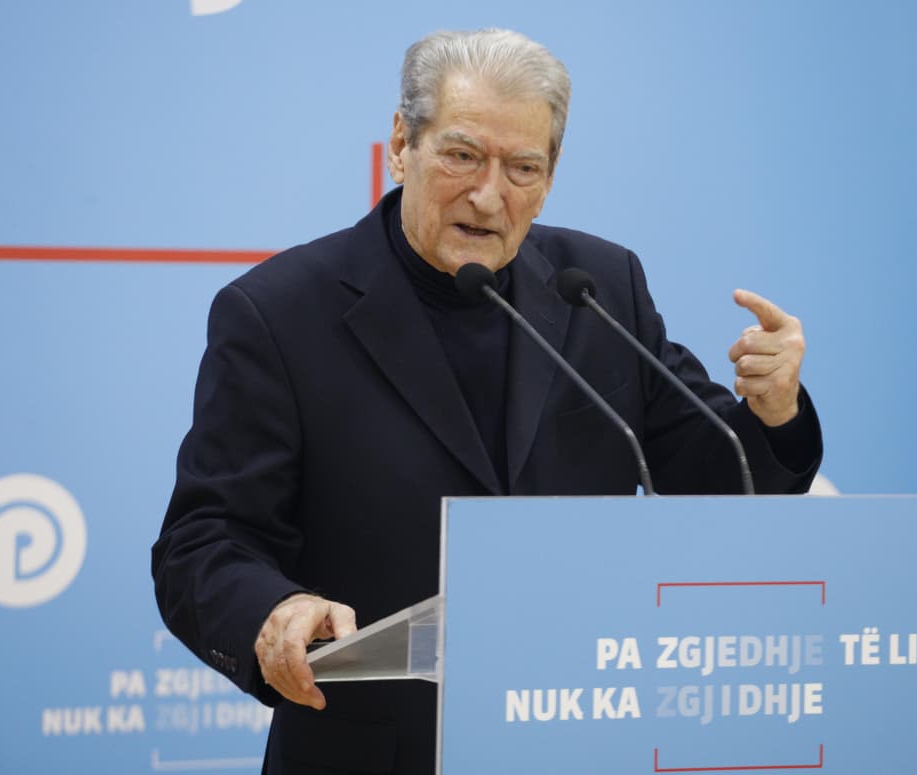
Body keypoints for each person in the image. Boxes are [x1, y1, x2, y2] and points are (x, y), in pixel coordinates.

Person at [152, 28, 822, 775]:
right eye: (462, 155)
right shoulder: (279, 313)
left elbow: (716, 478)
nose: (488, 194)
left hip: (576, 738)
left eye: (522, 167)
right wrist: (274, 612)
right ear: (402, 144)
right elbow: (203, 541)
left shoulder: (599, 288)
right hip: (374, 751)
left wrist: (774, 411)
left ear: (550, 175)